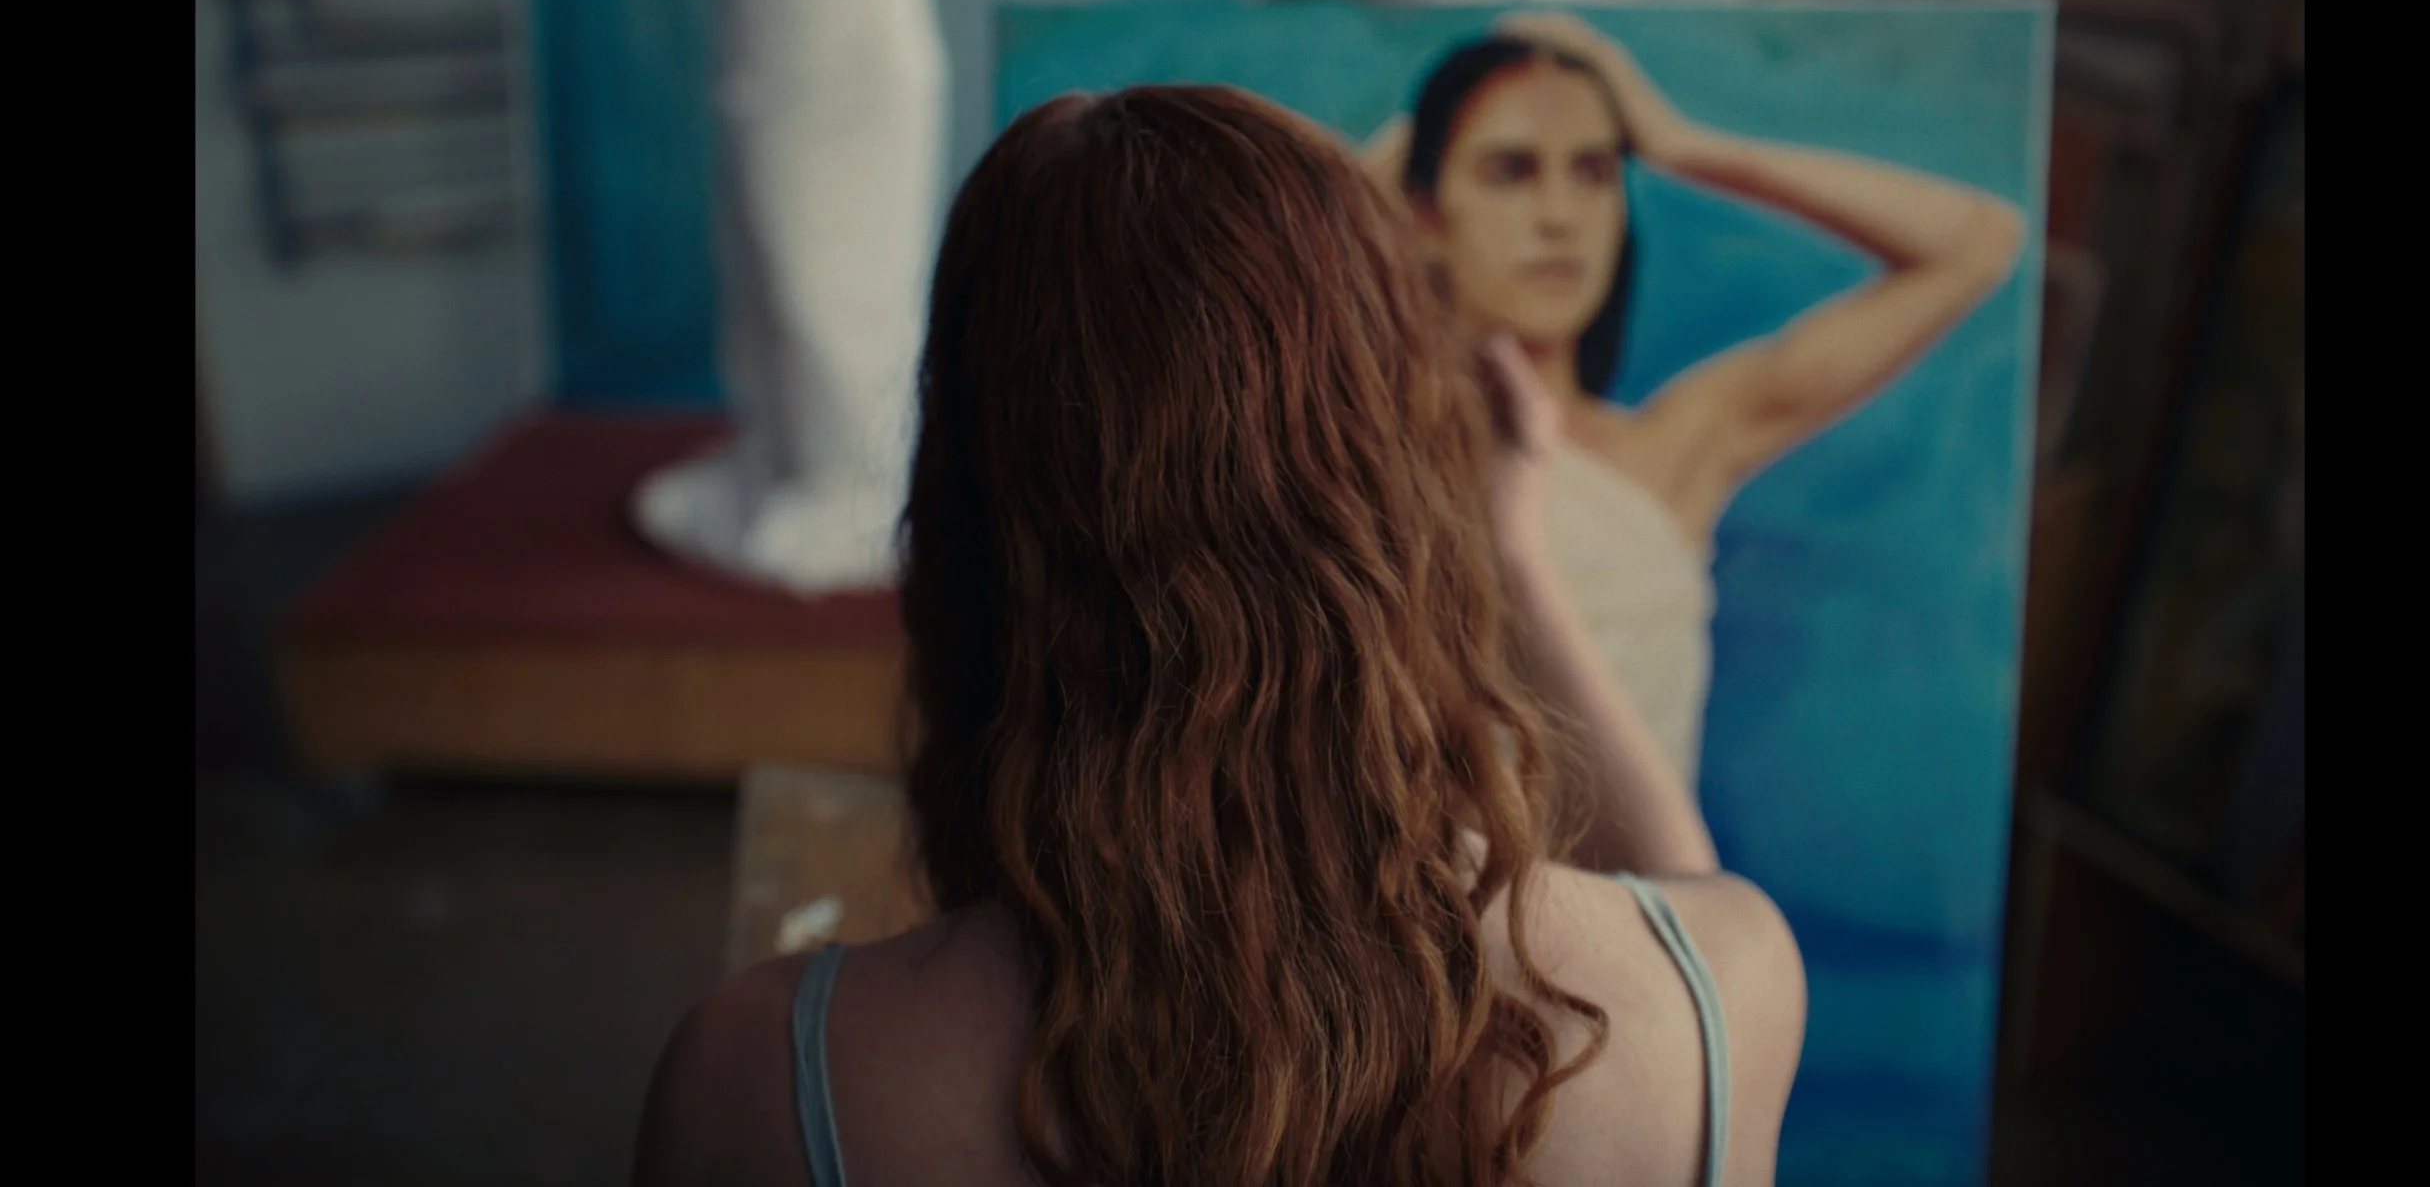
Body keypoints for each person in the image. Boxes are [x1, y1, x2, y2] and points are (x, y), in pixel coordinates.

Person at [632, 85, 1806, 1186]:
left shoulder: (765, 1077)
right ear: (1400, 483)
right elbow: (1681, 911)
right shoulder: (1715, 1000)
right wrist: (1510, 552)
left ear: (963, 524)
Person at [1359, 10, 2026, 784]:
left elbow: (1979, 243)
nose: (1559, 217)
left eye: (1593, 172)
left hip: (1640, 865)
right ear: (1426, 212)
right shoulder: (1367, 438)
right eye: (1511, 171)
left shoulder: (1675, 446)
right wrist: (1413, 136)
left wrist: (1682, 146)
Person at [634, 0, 946, 596]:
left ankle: (862, 509)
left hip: (852, 62)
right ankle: (781, 462)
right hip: (770, 57)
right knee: (763, 271)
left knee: (836, 284)